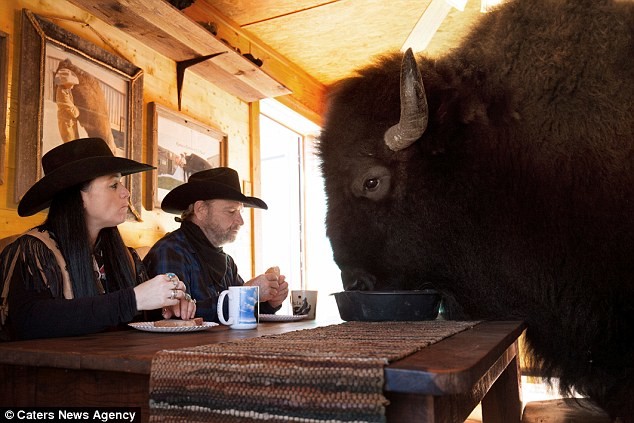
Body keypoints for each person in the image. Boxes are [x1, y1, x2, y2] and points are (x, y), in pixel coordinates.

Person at [0, 138, 196, 341]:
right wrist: (132, 299)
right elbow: (28, 321)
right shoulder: (33, 250)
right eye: (113, 185)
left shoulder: (126, 257)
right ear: (79, 197)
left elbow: (136, 320)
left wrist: (168, 308)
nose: (126, 192)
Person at [143, 167, 289, 323]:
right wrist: (248, 292)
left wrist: (270, 301)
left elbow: (241, 311)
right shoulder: (170, 251)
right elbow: (178, 316)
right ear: (201, 210)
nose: (241, 221)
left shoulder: (226, 261)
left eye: (240, 212)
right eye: (231, 211)